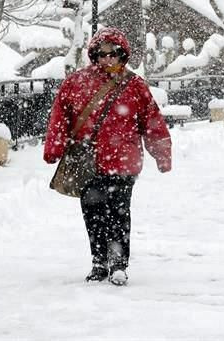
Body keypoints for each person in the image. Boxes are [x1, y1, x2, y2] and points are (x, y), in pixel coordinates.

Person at [44, 27, 172, 286]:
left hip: (124, 163)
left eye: (113, 54)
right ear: (94, 55)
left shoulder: (135, 86)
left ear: (123, 55)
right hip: (89, 162)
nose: (107, 59)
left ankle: (118, 264)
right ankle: (99, 261)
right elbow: (60, 117)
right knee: (93, 213)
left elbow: (152, 122)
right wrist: (53, 149)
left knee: (119, 212)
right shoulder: (76, 83)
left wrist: (162, 154)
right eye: (101, 54)